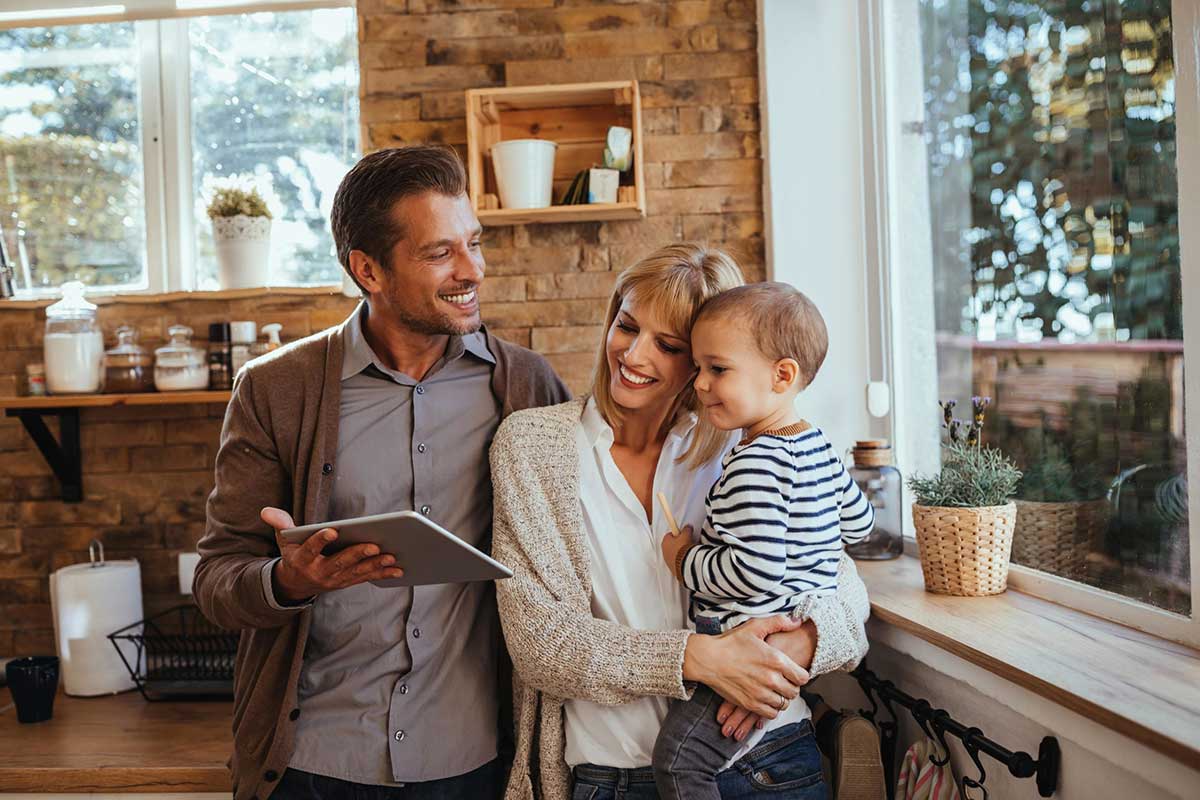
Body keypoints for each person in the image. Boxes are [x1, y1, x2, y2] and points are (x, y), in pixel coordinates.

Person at [192, 145, 570, 800]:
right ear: (368, 270)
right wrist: (286, 580)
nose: (471, 270)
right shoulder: (276, 392)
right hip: (318, 764)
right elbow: (217, 580)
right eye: (439, 253)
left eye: (473, 244)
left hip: (473, 759)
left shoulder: (526, 386)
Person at [489, 244, 871, 800]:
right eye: (626, 325)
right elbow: (539, 645)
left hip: (771, 762)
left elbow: (843, 585)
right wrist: (703, 659)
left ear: (706, 358)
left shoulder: (746, 447)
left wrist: (797, 649)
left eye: (667, 345)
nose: (633, 355)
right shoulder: (532, 448)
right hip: (614, 778)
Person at [653, 282, 876, 800]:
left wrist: (683, 558)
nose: (701, 384)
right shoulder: (818, 447)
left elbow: (752, 572)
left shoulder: (755, 462)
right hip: (788, 632)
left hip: (743, 639)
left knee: (679, 763)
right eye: (699, 368)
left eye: (718, 369)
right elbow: (861, 525)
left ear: (782, 375)